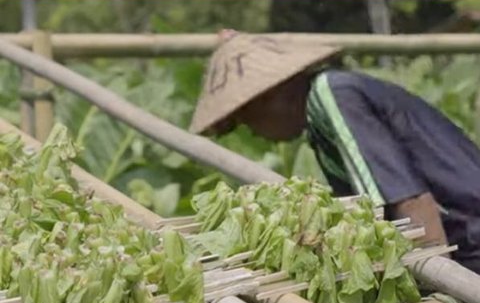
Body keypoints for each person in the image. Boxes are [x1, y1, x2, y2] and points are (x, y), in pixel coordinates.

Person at [190, 31, 480, 276]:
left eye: (248, 120)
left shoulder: (332, 95)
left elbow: (412, 203)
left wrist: (444, 302)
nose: (253, 133)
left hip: (469, 243)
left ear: (270, 96)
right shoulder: (321, 118)